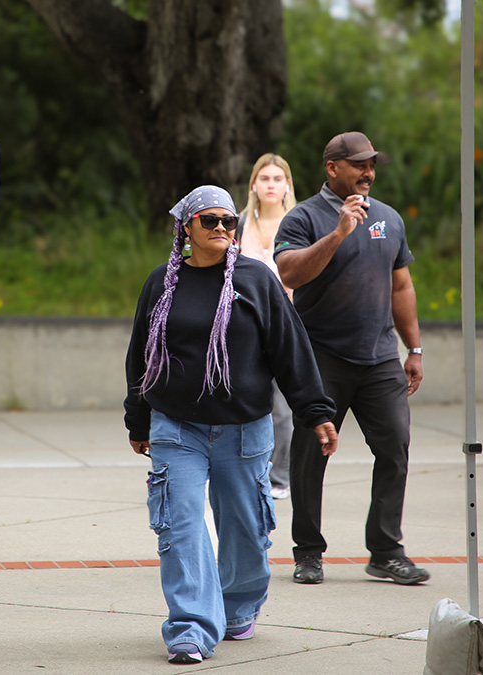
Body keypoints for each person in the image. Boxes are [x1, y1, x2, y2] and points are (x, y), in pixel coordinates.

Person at [124, 186, 338, 664]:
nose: (221, 227)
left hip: (243, 429)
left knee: (243, 530)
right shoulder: (162, 284)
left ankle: (238, 606)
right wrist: (137, 417)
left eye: (228, 220)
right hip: (176, 428)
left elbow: (290, 349)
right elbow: (141, 355)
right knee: (179, 524)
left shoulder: (255, 279)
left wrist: (316, 412)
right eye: (209, 220)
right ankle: (193, 626)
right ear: (186, 228)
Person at [273, 131, 429, 586]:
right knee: (308, 457)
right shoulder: (303, 217)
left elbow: (402, 286)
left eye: (372, 165)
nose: (368, 172)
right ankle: (308, 553)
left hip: (380, 358)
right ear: (332, 168)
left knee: (395, 447)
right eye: (359, 164)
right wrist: (339, 231)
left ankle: (385, 550)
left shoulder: (389, 219)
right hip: (321, 358)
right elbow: (290, 272)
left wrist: (413, 348)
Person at [237, 153, 298, 500]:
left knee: (284, 410)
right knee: (249, 401)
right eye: (265, 178)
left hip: (289, 326)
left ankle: (280, 476)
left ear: (287, 184)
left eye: (277, 178)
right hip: (246, 328)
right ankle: (248, 468)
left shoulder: (299, 222)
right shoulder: (239, 224)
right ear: (254, 185)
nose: (271, 184)